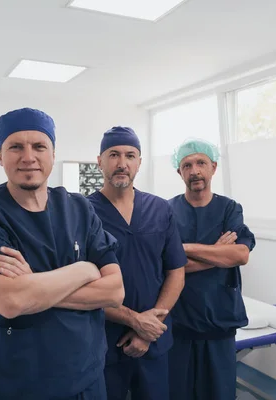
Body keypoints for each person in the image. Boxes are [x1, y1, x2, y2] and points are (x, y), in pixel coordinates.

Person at [0, 107, 125, 400]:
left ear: (53, 154)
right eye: (15, 146)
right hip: (18, 380)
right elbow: (10, 300)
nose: (28, 157)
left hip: (86, 376)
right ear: (0, 156)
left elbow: (115, 291)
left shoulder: (79, 208)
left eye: (39, 146)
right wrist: (84, 270)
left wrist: (35, 286)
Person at [87, 127, 187, 400]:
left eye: (130, 155)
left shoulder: (160, 209)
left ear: (139, 162)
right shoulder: (83, 213)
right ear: (100, 161)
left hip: (153, 340)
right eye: (114, 155)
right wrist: (134, 320)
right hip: (103, 342)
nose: (122, 163)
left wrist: (149, 327)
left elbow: (176, 272)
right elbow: (78, 288)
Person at [166, 138, 256, 400]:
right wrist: (217, 252)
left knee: (219, 394)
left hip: (220, 321)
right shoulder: (167, 211)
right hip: (180, 323)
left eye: (201, 163)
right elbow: (165, 266)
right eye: (187, 165)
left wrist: (184, 248)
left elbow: (240, 255)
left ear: (213, 167)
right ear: (179, 171)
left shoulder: (229, 209)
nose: (194, 170)